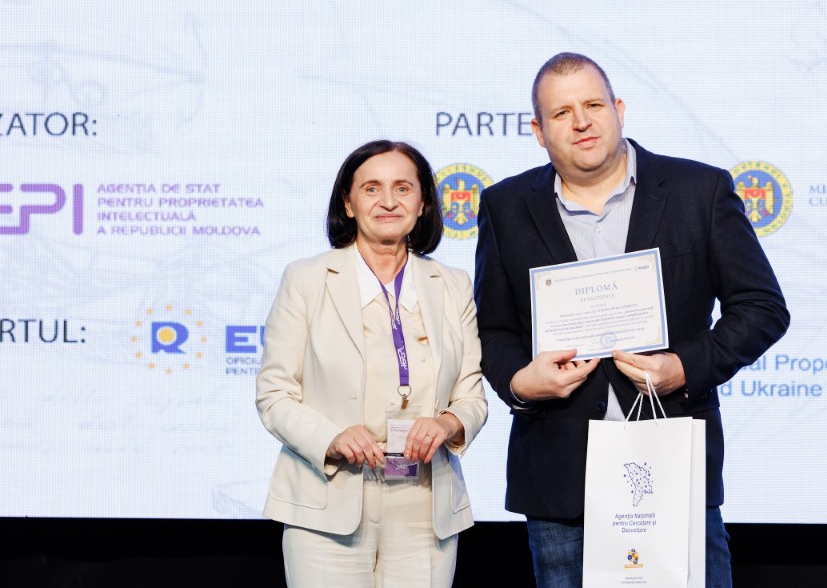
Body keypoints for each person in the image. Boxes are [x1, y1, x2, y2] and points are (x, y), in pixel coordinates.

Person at [474, 52, 790, 587]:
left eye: (594, 105)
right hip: (558, 474)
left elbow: (762, 307)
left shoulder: (700, 191)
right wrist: (520, 382)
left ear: (618, 109)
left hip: (672, 466)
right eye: (562, 112)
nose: (581, 121)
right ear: (538, 131)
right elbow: (493, 328)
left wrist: (683, 367)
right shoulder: (504, 206)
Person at [256, 140, 488, 587]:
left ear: (423, 203)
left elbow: (471, 396)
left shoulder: (452, 284)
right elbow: (274, 394)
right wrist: (332, 437)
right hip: (329, 500)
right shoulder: (306, 279)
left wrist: (447, 424)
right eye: (371, 188)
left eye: (402, 188)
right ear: (348, 203)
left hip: (425, 506)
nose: (388, 201)